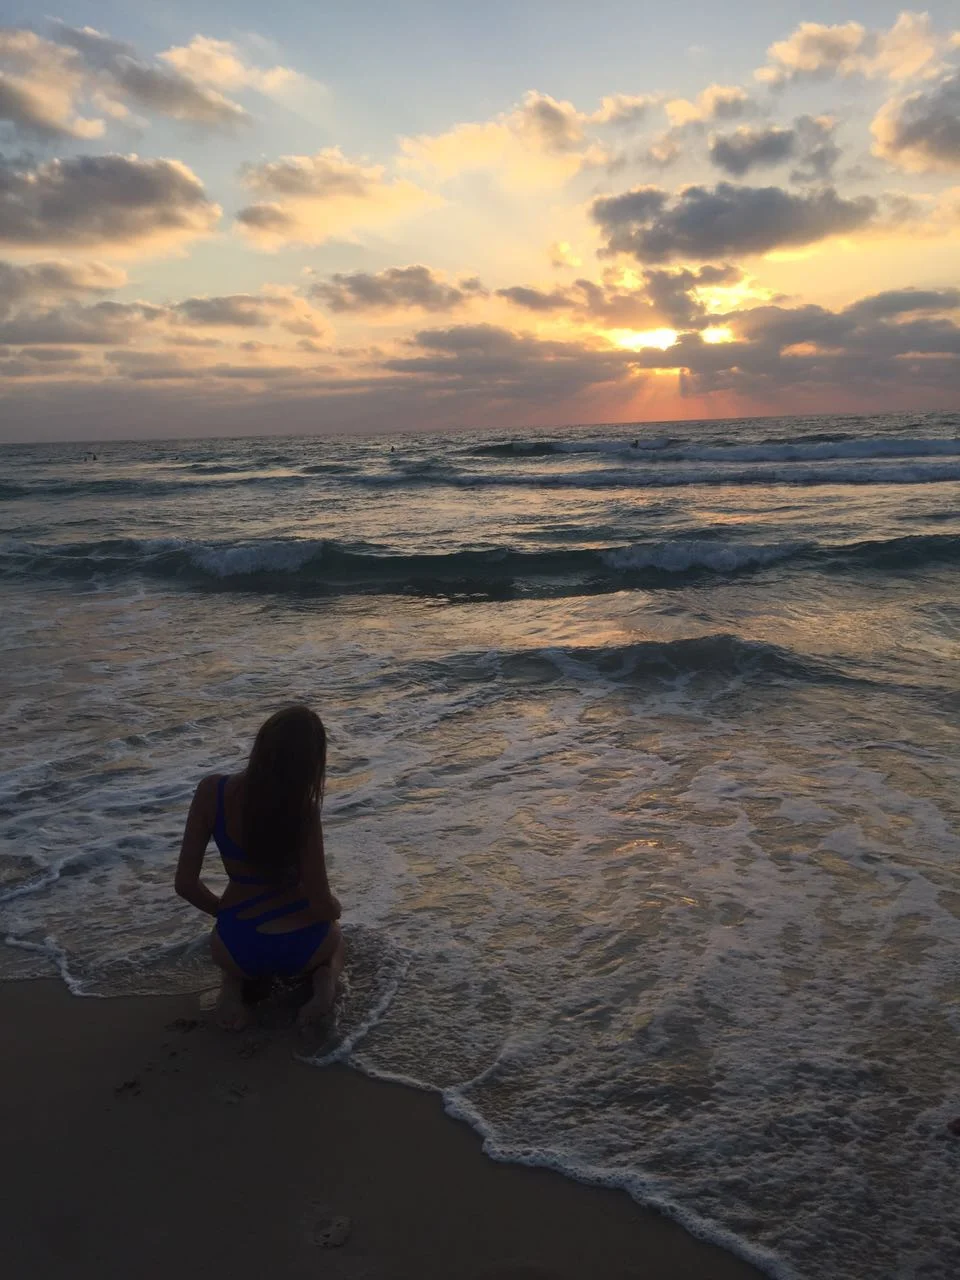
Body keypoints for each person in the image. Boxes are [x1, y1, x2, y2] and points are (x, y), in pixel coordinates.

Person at [174, 705, 344, 1031]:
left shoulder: (212, 792)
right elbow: (320, 903)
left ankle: (232, 989)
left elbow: (185, 884)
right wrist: (335, 909)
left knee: (233, 962)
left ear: (261, 744)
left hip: (237, 946)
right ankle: (325, 986)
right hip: (300, 947)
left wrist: (223, 911)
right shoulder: (303, 811)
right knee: (336, 940)